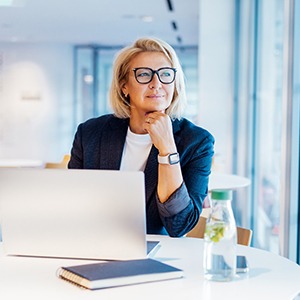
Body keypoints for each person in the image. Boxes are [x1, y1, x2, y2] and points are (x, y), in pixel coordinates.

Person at [68, 37, 214, 237]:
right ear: (124, 86)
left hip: (159, 254)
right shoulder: (90, 133)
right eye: (144, 74)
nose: (157, 84)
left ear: (175, 83)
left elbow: (179, 225)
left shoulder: (197, 142)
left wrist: (167, 149)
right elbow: (72, 204)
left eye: (165, 75)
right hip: (95, 244)